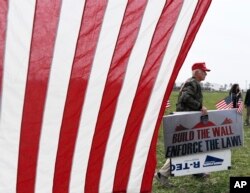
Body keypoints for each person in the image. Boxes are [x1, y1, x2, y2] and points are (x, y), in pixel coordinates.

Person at [155, 62, 211, 187]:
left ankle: (197, 172)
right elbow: (185, 98)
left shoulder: (193, 82)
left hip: (188, 119)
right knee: (184, 148)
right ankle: (162, 174)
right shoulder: (192, 83)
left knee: (194, 145)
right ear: (197, 72)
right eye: (204, 71)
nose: (206, 74)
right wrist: (200, 106)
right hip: (186, 121)